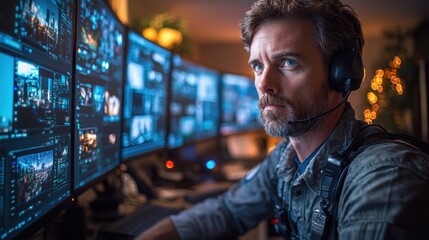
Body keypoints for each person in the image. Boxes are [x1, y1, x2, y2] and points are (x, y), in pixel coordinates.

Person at [136, 0, 429, 239]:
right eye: (258, 66)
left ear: (341, 75)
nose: (264, 84)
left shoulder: (382, 176)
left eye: (288, 62)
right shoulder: (285, 160)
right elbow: (226, 211)